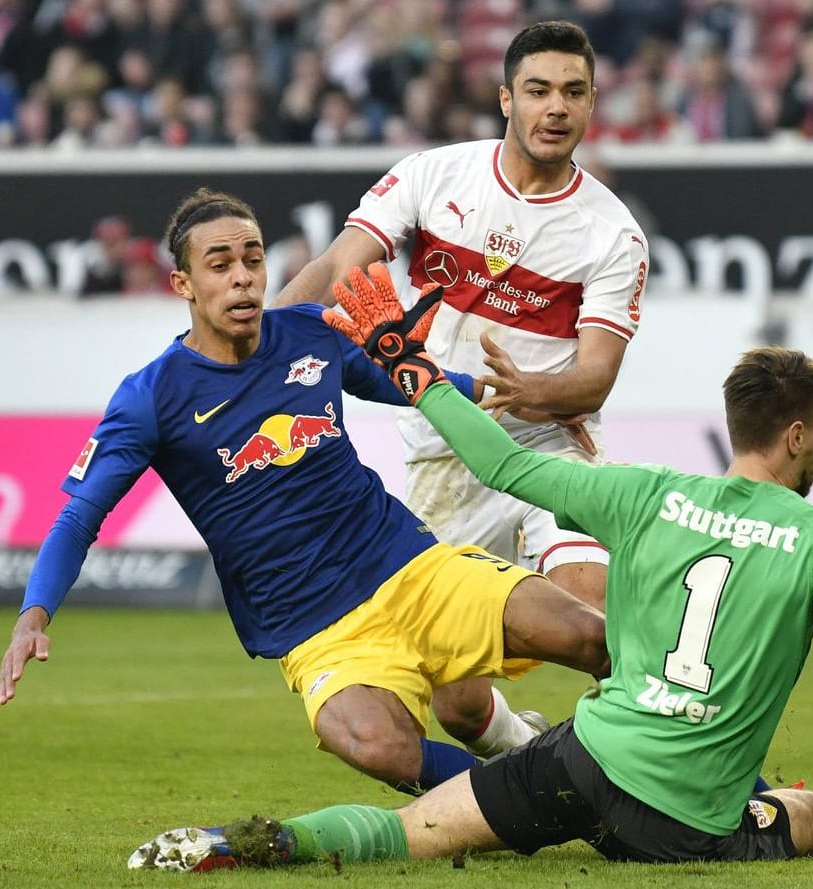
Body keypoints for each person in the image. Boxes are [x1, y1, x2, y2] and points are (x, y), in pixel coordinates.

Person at [130, 279, 813, 874]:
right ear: (794, 435)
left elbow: (508, 468)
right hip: (684, 822)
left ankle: (249, 842)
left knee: (416, 834)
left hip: (580, 760)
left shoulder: (647, 495)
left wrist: (420, 380)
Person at [0, 189, 609, 798]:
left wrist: (518, 396)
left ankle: (674, 756)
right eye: (220, 265)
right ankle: (535, 797)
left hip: (411, 566)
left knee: (589, 635)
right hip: (315, 628)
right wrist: (33, 616)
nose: (242, 279)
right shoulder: (150, 398)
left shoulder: (313, 333)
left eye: (253, 259)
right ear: (183, 285)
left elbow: (415, 383)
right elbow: (79, 519)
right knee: (379, 745)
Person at [274, 20, 647, 742]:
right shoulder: (435, 174)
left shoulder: (612, 233)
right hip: (442, 458)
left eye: (573, 92)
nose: (555, 107)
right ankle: (528, 749)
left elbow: (593, 378)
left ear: (593, 102)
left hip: (545, 452)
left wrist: (516, 394)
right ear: (506, 98)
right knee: (460, 707)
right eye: (537, 90)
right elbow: (337, 266)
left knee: (591, 610)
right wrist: (267, 338)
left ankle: (659, 769)